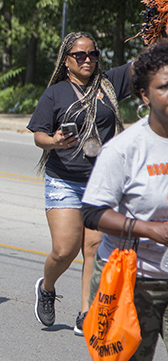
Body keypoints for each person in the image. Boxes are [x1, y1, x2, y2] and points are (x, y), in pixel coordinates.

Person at [27, 31, 130, 335]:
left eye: (93, 54)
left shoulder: (109, 84)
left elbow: (144, 65)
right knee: (65, 249)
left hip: (101, 182)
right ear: (67, 60)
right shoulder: (55, 93)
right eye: (80, 55)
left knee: (95, 246)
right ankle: (46, 287)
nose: (88, 60)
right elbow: (38, 136)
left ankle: (86, 312)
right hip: (64, 181)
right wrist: (56, 141)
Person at [82, 41, 168, 360]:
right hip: (132, 281)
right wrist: (148, 229)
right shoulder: (124, 149)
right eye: (164, 87)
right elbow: (92, 213)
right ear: (145, 95)